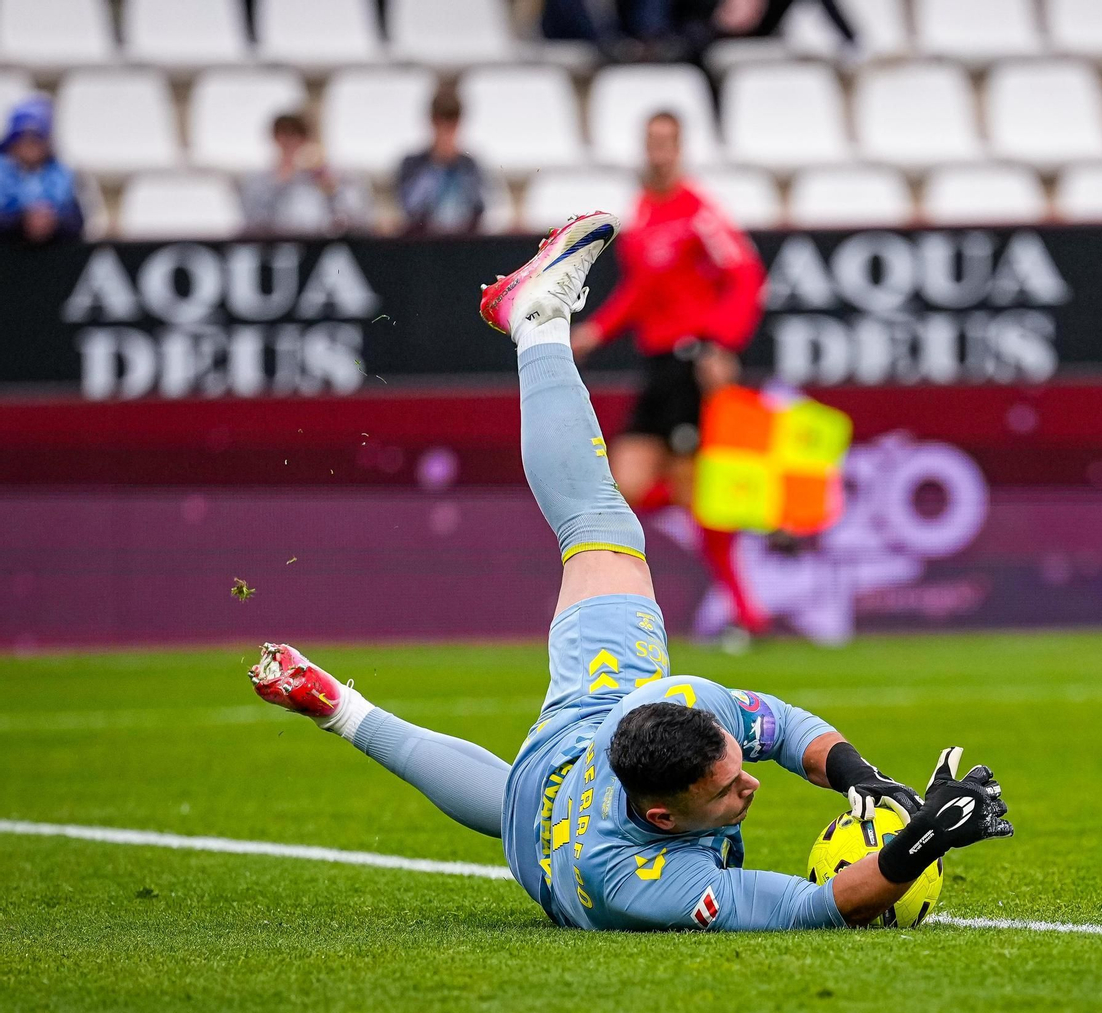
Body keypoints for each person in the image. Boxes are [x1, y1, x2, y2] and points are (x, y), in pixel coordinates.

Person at [247, 211, 1013, 931]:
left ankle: (538, 328)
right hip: (552, 824)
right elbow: (816, 909)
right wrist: (924, 840)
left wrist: (861, 776)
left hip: (578, 749)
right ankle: (535, 322)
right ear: (662, 819)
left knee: (598, 529)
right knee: (520, 789)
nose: (750, 781)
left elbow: (785, 731)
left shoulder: (678, 704)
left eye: (735, 767)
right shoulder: (635, 878)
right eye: (726, 788)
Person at [571, 111, 771, 644]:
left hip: (689, 364)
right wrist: (597, 331)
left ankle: (746, 611)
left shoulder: (698, 213)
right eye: (652, 142)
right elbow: (641, 291)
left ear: (679, 150)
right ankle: (742, 609)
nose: (658, 153)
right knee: (626, 486)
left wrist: (722, 344)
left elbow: (746, 275)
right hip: (655, 367)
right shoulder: (643, 217)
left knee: (673, 489)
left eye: (667, 143)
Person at [240, 112, 373, 236]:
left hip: (316, 246)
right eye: (283, 135)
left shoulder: (323, 175)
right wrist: (281, 182)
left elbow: (351, 219)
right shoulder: (258, 180)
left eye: (296, 135)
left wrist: (329, 187)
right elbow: (254, 220)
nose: (289, 142)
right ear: (275, 138)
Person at [396, 87, 486, 235]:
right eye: (442, 126)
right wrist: (437, 163)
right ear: (432, 123)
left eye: (452, 127)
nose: (446, 134)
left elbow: (481, 209)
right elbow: (409, 208)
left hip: (464, 246)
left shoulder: (470, 166)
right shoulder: (411, 164)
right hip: (423, 247)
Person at [0, 96, 83, 245]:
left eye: (36, 139)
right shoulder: (2, 173)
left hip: (51, 260)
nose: (30, 146)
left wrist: (53, 222)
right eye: (23, 138)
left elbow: (78, 222)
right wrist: (22, 221)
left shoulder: (62, 176)